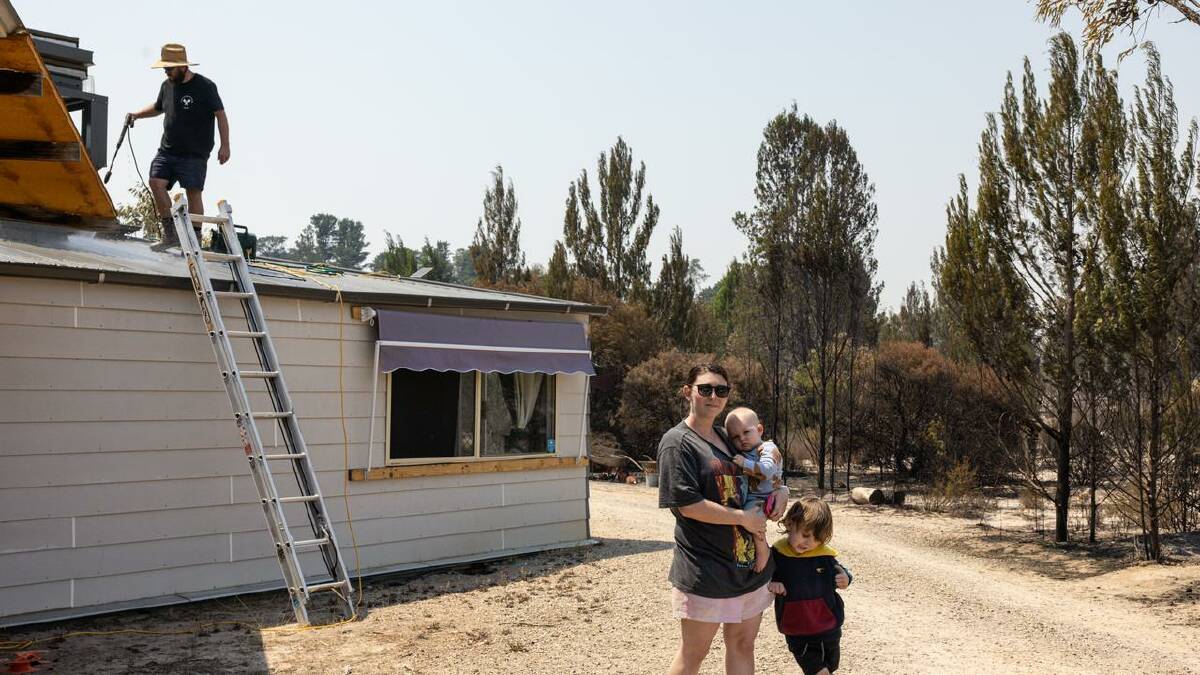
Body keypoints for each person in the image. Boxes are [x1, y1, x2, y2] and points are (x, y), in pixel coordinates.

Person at [658, 364, 790, 675]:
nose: (713, 395)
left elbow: (762, 474)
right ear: (688, 391)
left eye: (721, 390)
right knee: (694, 654)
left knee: (743, 645)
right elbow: (686, 504)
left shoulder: (726, 437)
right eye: (705, 388)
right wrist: (742, 518)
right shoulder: (678, 443)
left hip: (748, 568)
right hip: (707, 570)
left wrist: (783, 490)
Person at [125, 43, 230, 249]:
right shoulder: (167, 86)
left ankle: (194, 240)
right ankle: (171, 235)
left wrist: (225, 146)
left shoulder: (205, 86)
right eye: (165, 69)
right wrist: (136, 115)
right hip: (168, 150)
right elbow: (158, 108)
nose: (167, 73)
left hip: (195, 153)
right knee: (156, 182)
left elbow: (221, 116)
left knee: (193, 192)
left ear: (183, 66)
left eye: (169, 69)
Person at [767, 497, 853, 675]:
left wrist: (846, 577)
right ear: (790, 523)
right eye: (805, 535)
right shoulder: (778, 553)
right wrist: (773, 580)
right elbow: (766, 571)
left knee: (831, 666)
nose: (809, 543)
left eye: (817, 538)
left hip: (829, 626)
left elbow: (839, 569)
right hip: (797, 628)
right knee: (817, 670)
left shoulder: (823, 555)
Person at [725, 407, 784, 573]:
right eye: (736, 437)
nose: (742, 439)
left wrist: (745, 463)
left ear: (759, 429)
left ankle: (763, 550)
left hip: (763, 497)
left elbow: (767, 471)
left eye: (746, 432)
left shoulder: (767, 448)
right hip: (755, 495)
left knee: (754, 522)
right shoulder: (748, 450)